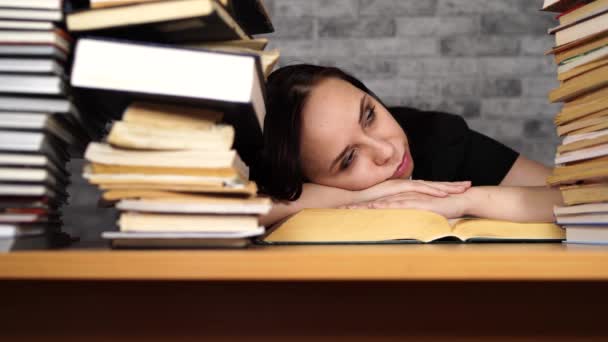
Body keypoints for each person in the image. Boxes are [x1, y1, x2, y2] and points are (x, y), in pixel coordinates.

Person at [251, 64, 563, 227]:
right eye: (348, 159)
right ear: (307, 180)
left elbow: (578, 199)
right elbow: (228, 215)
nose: (386, 151)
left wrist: (465, 201)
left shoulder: (436, 137)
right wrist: (365, 194)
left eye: (370, 115)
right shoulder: (279, 179)